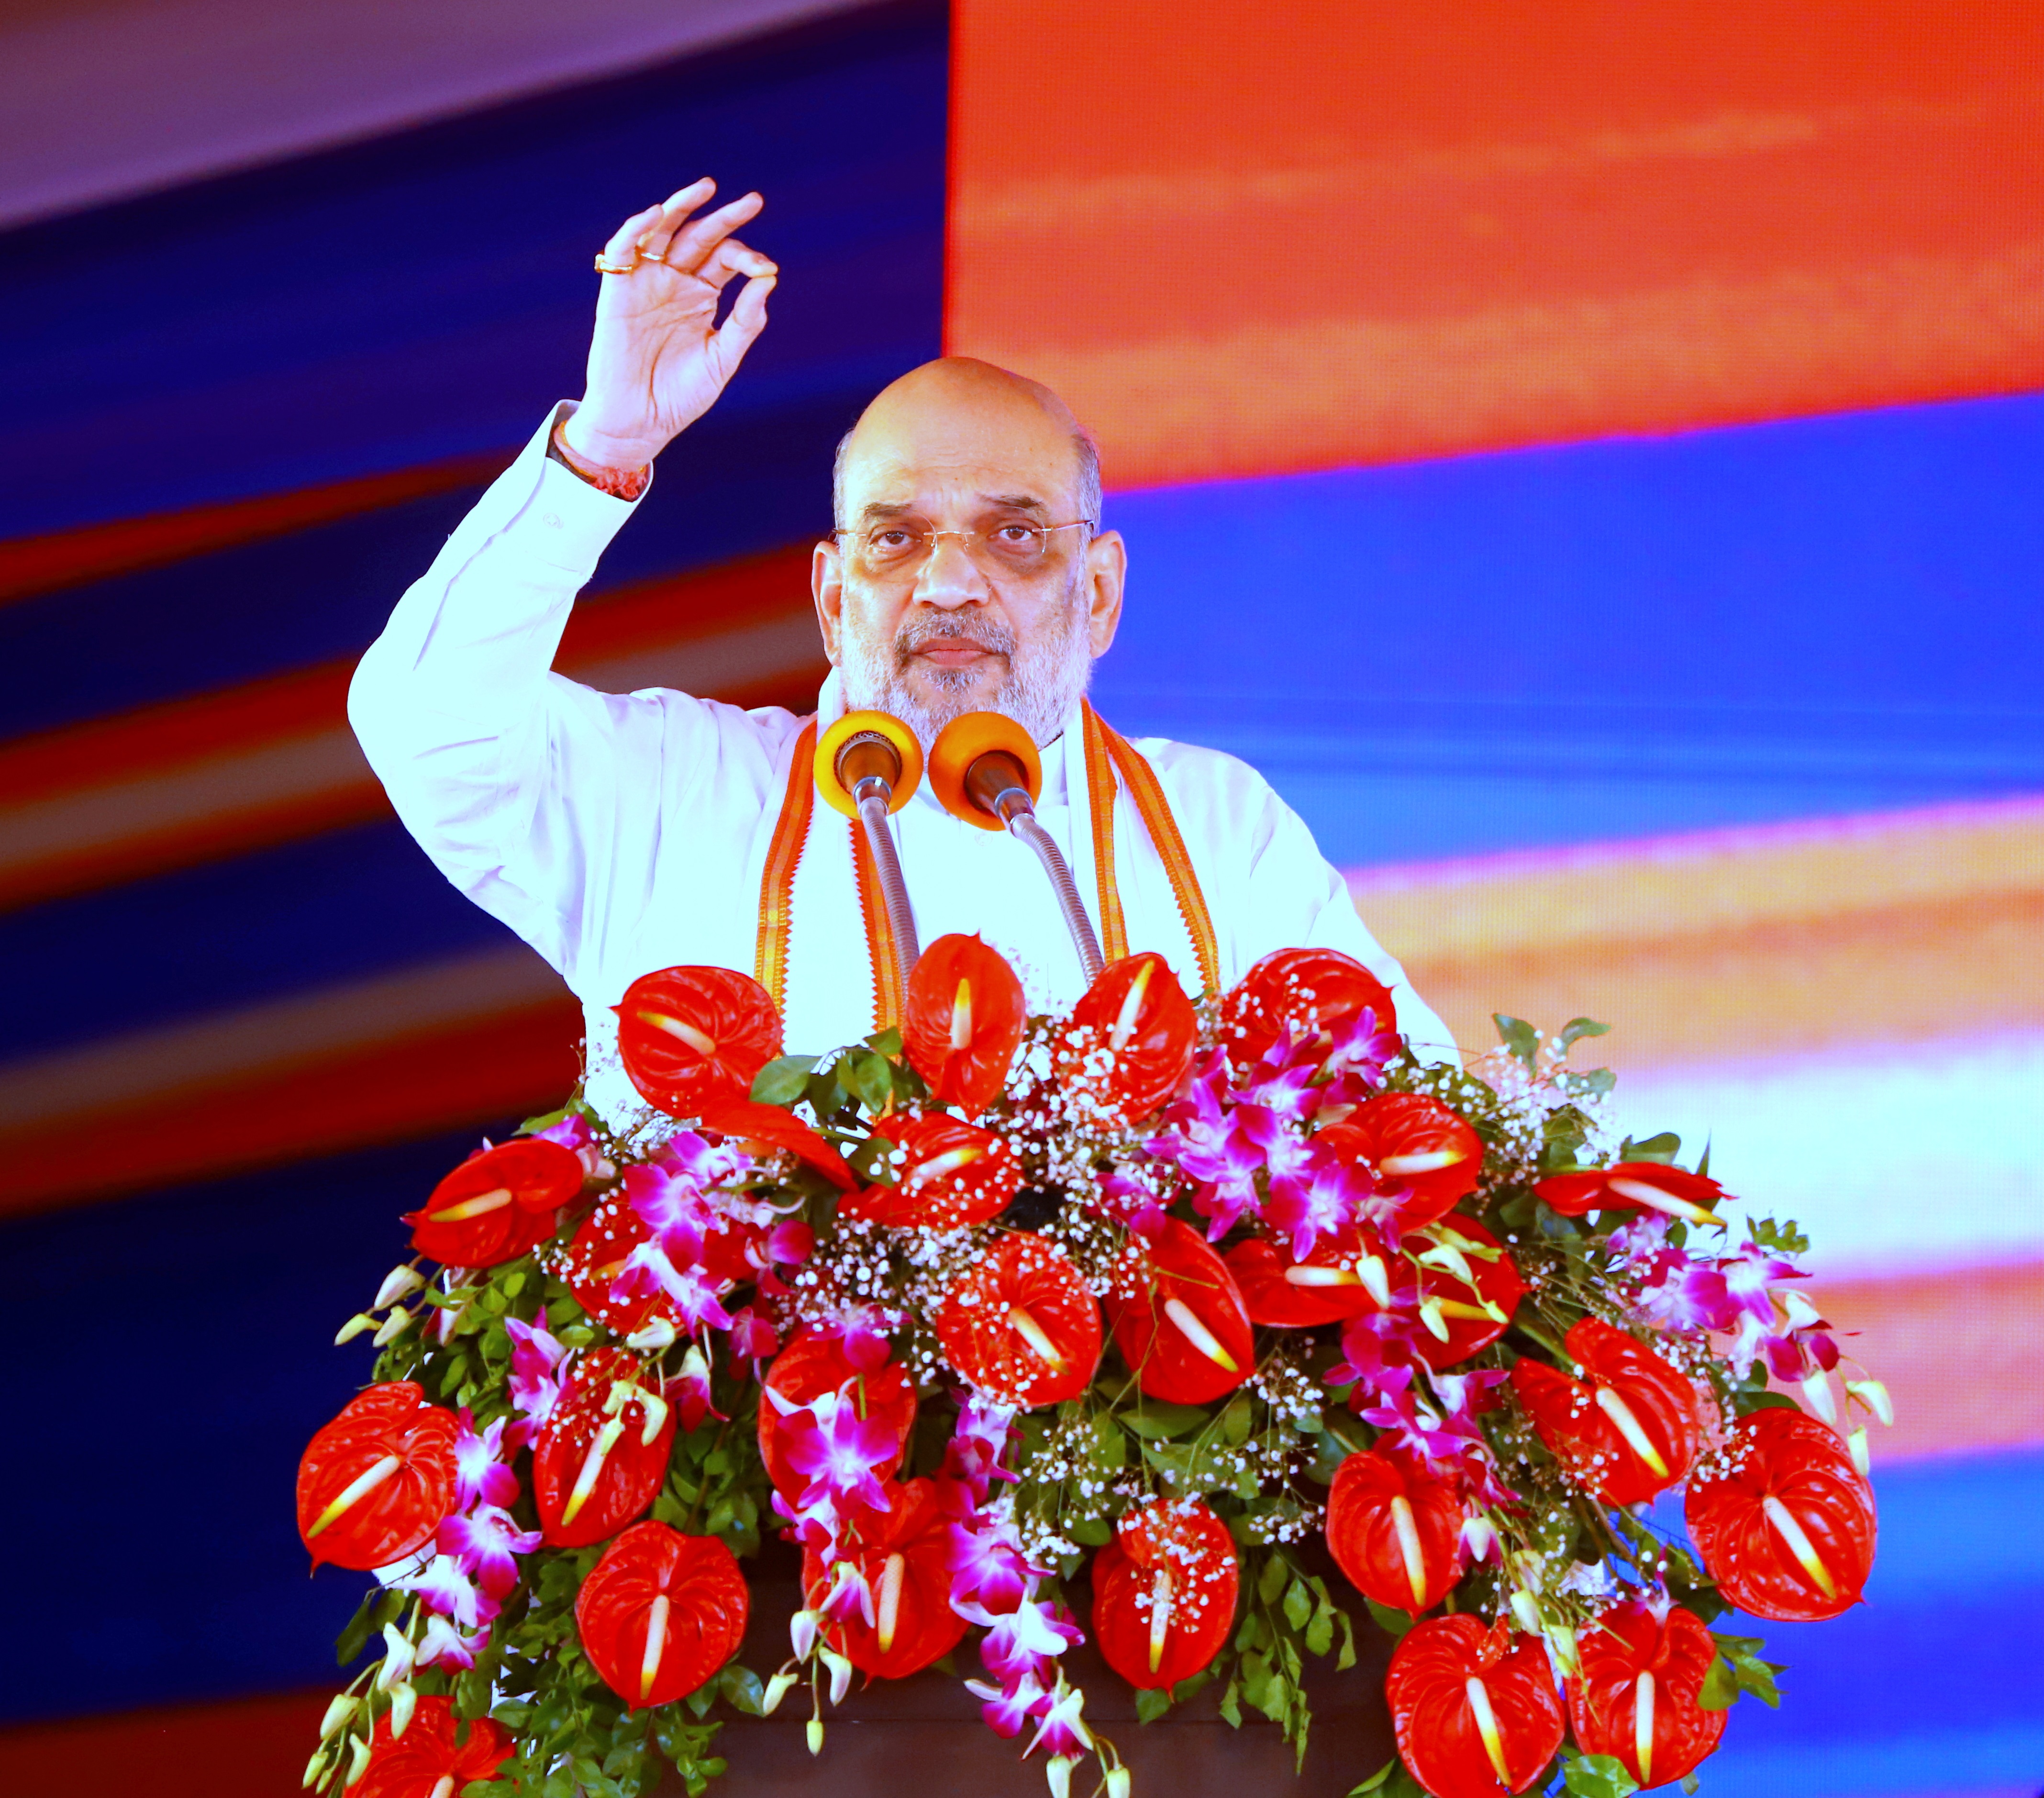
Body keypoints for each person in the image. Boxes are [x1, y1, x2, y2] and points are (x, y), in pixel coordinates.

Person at [350, 180, 1452, 1128]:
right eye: (896, 537)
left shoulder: (1219, 828)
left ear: (1102, 592)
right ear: (834, 599)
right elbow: (424, 725)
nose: (950, 582)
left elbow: (1412, 1139)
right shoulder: (680, 793)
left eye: (1015, 533)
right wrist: (605, 449)